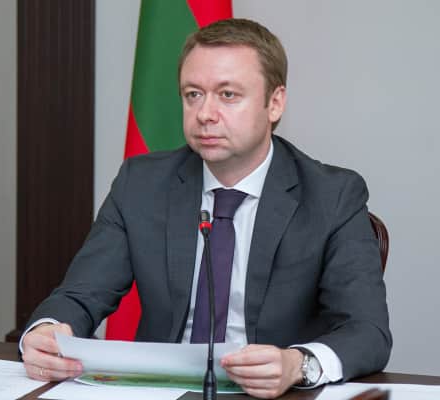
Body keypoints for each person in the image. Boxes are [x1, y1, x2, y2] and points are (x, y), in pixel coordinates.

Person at [21, 18, 391, 399]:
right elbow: (80, 296)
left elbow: (368, 331)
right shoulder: (141, 185)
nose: (205, 113)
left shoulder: (332, 196)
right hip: (157, 392)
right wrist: (46, 332)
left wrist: (298, 364)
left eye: (227, 95)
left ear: (275, 102)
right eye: (193, 94)